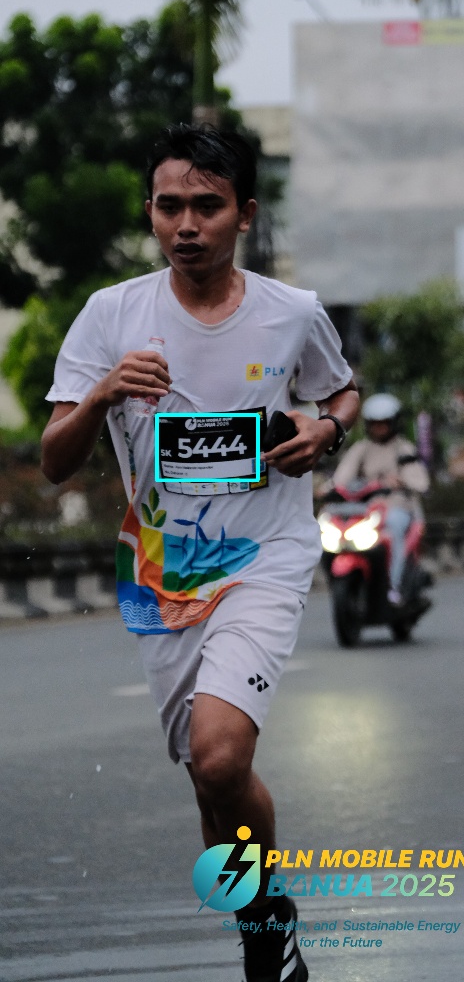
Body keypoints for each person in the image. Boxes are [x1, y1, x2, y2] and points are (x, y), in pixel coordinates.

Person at [41, 123, 359, 982]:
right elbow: (55, 459)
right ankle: (264, 917)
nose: (186, 225)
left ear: (244, 214)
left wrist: (324, 431)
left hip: (264, 557)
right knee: (208, 779)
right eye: (169, 205)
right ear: (150, 211)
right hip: (159, 570)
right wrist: (104, 392)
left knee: (221, 755)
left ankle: (263, 919)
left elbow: (341, 391)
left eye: (207, 207)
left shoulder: (292, 312)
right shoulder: (111, 315)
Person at [331, 393, 429, 604]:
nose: (379, 428)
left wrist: (401, 481)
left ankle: (394, 586)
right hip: (367, 510)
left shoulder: (404, 448)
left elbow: (420, 482)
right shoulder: (361, 448)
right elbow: (342, 476)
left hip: (397, 507)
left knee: (394, 529)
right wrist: (327, 488)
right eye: (375, 424)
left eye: (384, 423)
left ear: (394, 423)